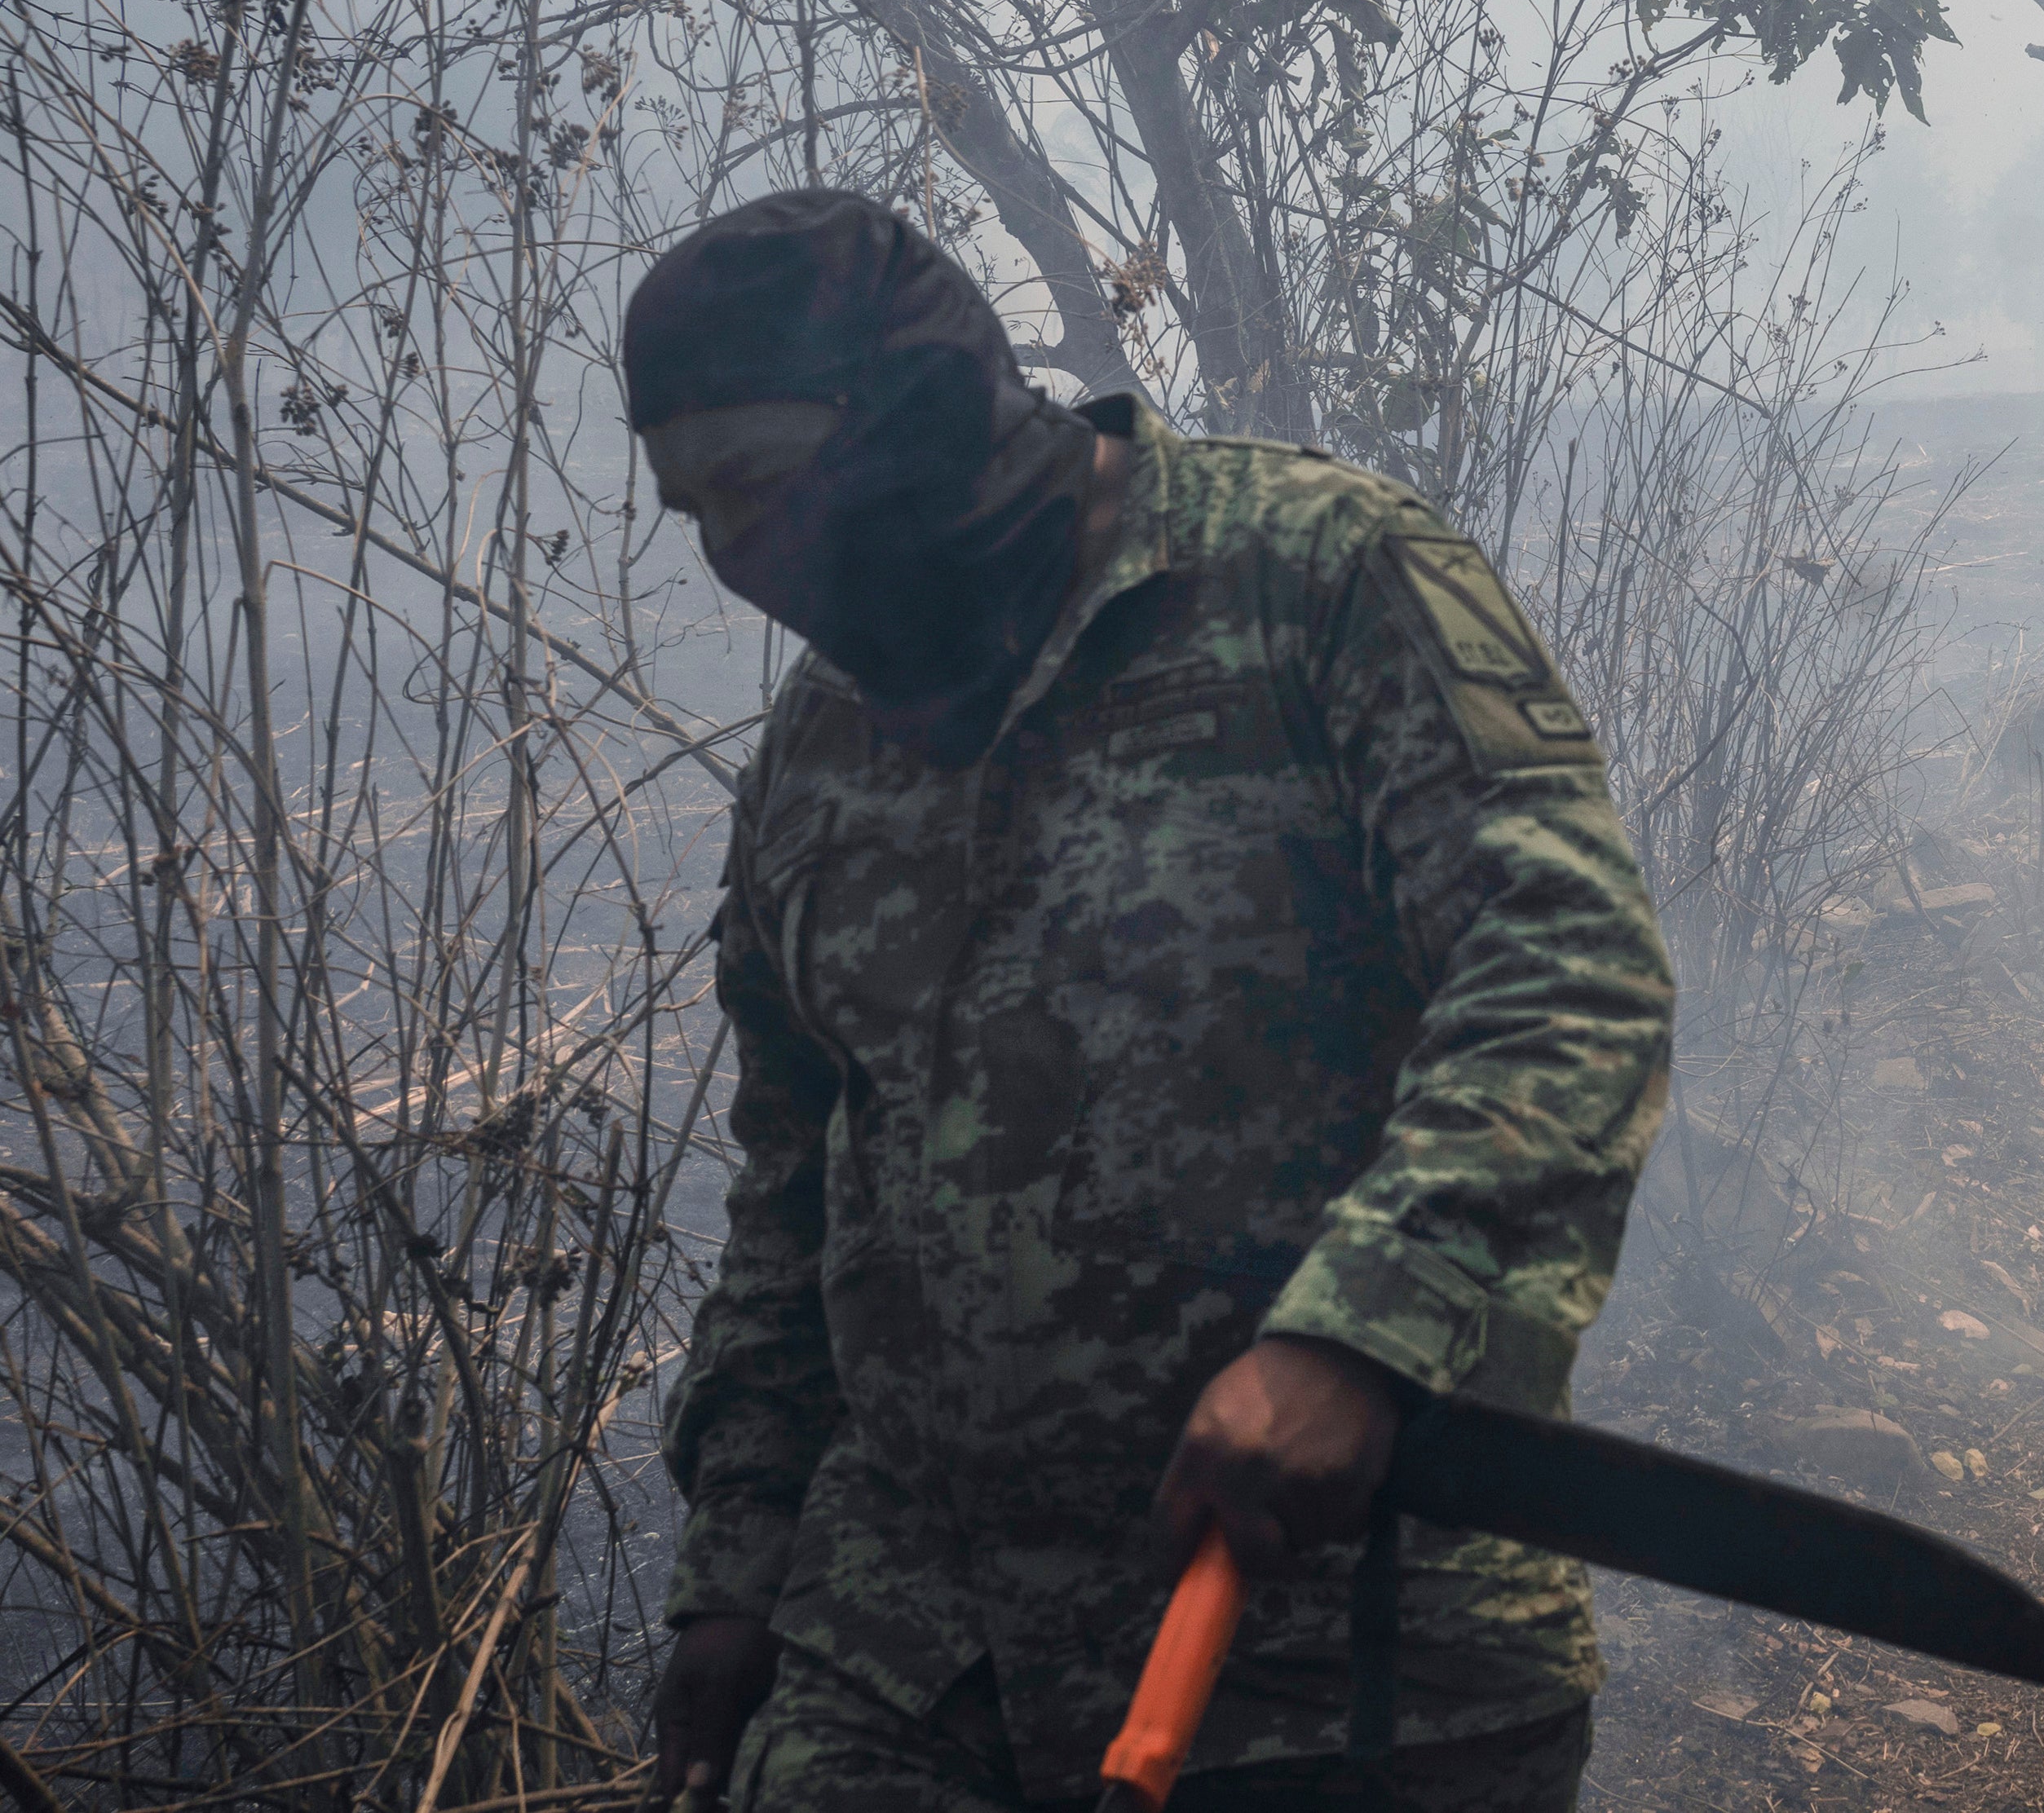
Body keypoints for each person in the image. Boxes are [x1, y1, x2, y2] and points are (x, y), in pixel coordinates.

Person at [632, 189, 1672, 1813]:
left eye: (759, 487)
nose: (736, 557)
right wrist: (738, 1565)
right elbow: (797, 1176)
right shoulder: (820, 745)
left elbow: (1563, 969)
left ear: (906, 417)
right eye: (695, 510)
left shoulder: (1321, 574)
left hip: (1328, 1653)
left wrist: (1357, 1335)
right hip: (909, 1662)